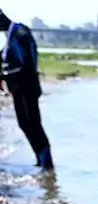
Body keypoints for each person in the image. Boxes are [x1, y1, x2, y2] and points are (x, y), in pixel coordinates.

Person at [0, 10, 52, 171]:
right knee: (24, 124)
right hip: (18, 88)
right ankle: (40, 160)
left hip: (27, 86)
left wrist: (5, 73)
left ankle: (47, 164)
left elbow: (26, 63)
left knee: (33, 124)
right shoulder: (9, 37)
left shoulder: (19, 32)